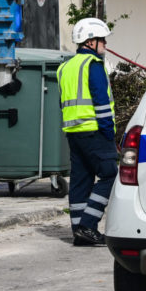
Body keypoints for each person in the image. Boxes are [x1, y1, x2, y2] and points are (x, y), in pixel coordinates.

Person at [59, 17, 118, 247]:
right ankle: (88, 225)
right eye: (102, 39)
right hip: (95, 131)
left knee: (80, 181)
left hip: (74, 132)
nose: (104, 44)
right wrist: (109, 132)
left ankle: (78, 231)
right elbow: (101, 102)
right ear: (90, 41)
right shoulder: (93, 65)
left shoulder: (65, 67)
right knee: (110, 175)